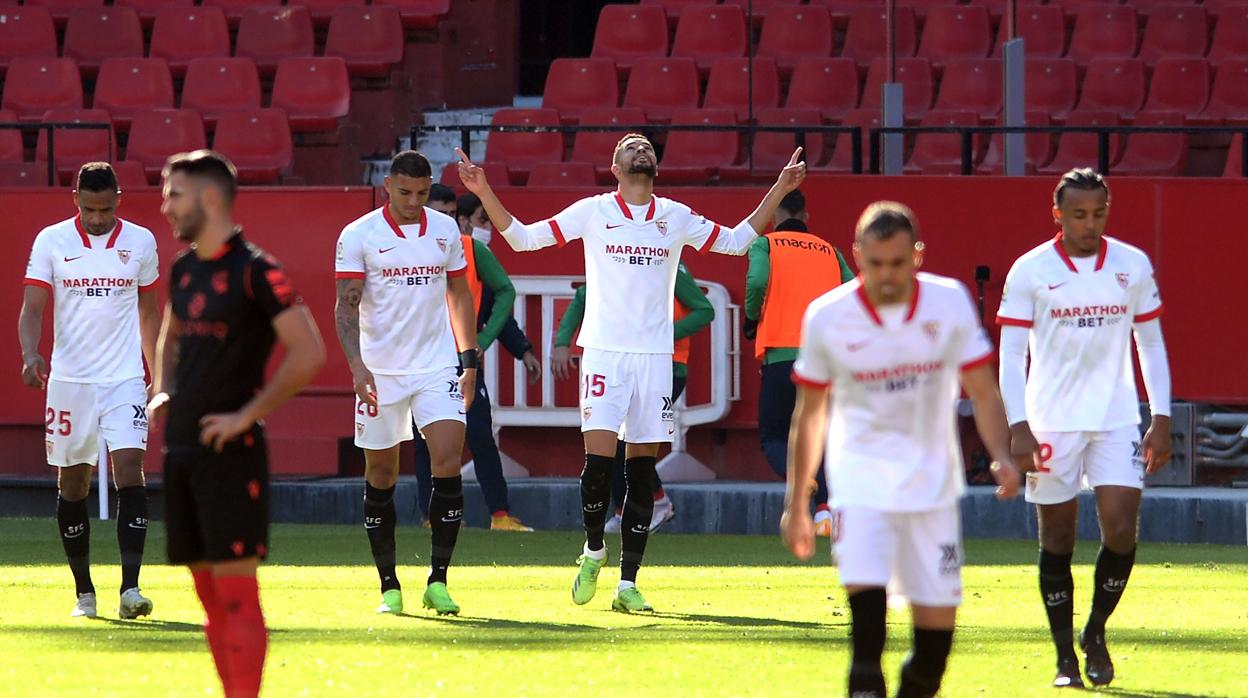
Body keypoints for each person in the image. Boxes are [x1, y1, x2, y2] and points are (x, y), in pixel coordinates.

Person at [457, 136, 806, 612]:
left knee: (640, 473)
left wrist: (780, 187)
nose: (641, 149)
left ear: (655, 165)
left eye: (646, 147)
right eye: (631, 147)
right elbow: (522, 237)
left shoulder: (676, 215)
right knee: (599, 467)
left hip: (654, 359)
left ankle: (628, 583)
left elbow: (736, 241)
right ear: (614, 167)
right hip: (603, 354)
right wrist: (482, 189)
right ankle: (593, 550)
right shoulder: (593, 211)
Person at [782, 201, 1020, 698]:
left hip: (932, 489)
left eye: (896, 263)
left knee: (933, 655)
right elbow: (810, 414)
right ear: (856, 257)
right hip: (859, 485)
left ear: (917, 256)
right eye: (874, 264)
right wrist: (797, 502)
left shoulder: (949, 302)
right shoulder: (827, 317)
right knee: (867, 641)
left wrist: (1000, 452)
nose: (886, 276)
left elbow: (981, 388)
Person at [149, 150, 325, 698]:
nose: (164, 206)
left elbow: (308, 352)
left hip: (233, 454)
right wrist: (162, 391)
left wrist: (247, 414)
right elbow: (170, 336)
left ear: (208, 198)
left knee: (234, 594)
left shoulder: (256, 270)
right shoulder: (183, 269)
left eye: (173, 195)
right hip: (183, 450)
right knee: (205, 594)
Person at [995, 168, 1171, 689]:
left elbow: (1152, 343)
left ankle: (1094, 632)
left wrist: (1160, 417)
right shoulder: (1029, 270)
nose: (1089, 224)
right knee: (1060, 537)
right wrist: (1018, 425)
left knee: (1120, 528)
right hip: (1051, 424)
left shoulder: (1132, 264)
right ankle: (1063, 656)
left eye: (1098, 214)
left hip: (1117, 418)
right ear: (1058, 214)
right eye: (1078, 214)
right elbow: (1010, 355)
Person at [335, 150, 481, 616]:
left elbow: (459, 292)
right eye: (404, 193)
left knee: (447, 459)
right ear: (387, 186)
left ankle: (437, 580)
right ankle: (389, 584)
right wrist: (357, 367)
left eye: (421, 193)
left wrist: (469, 359)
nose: (414, 201)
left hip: (437, 366)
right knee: (381, 473)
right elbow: (346, 305)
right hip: (381, 373)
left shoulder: (446, 233)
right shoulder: (358, 235)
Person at [19, 162, 161, 620]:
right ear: (74, 199)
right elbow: (33, 307)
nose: (97, 218)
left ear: (118, 197)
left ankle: (130, 589)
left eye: (104, 208)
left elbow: (150, 311)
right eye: (88, 208)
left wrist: (154, 368)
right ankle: (84, 592)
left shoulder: (140, 241)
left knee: (130, 470)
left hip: (123, 378)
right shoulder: (51, 241)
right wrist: (30, 353)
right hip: (70, 380)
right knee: (74, 481)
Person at [552, 262, 714, 534]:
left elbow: (704, 310)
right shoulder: (618, 255)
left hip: (666, 367)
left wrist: (661, 334)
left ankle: (653, 503)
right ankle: (632, 508)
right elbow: (584, 297)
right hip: (624, 365)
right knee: (615, 437)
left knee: (629, 439)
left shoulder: (669, 263)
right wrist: (561, 342)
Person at [413, 192, 540, 532]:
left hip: (460, 361)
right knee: (426, 440)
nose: (449, 220)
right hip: (419, 359)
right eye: (441, 213)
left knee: (480, 435)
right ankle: (431, 516)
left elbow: (503, 295)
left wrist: (485, 342)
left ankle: (500, 514)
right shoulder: (405, 250)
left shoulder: (471, 250)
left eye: (452, 214)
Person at [743, 189, 854, 536]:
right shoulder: (830, 251)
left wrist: (751, 317)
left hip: (781, 357)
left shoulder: (766, 245)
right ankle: (824, 509)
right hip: (826, 360)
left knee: (774, 437)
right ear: (805, 216)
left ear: (775, 216)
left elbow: (758, 280)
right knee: (823, 435)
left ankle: (803, 483)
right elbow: (855, 291)